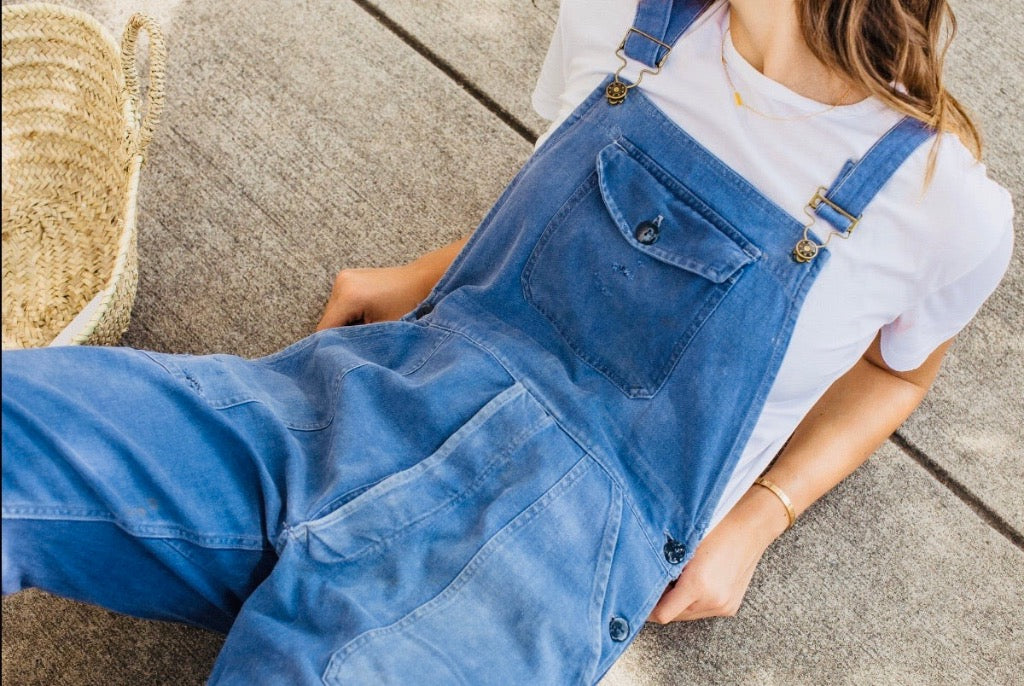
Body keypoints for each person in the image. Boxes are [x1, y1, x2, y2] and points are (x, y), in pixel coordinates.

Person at [2, 0, 1013, 683]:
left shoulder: (939, 204)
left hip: (541, 562)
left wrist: (760, 515)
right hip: (365, 397)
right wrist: (429, 272)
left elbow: (897, 368)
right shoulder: (624, 18)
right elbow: (583, 197)